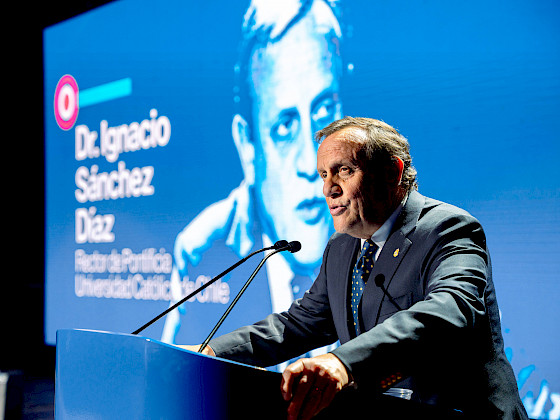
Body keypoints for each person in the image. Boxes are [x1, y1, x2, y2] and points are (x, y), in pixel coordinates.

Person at [181, 117, 529, 420]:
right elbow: (301, 324)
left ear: (392, 172)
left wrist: (341, 363)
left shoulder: (447, 228)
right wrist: (209, 353)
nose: (328, 188)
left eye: (344, 170)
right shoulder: (342, 245)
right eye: (323, 174)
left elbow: (449, 312)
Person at [161, 0, 343, 351]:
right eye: (285, 127)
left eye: (324, 111)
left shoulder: (385, 236)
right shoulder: (206, 251)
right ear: (248, 146)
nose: (312, 163)